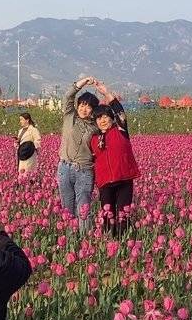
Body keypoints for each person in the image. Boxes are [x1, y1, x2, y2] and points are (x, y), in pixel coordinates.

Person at [58, 76, 101, 234]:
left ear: (93, 110)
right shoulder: (69, 116)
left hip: (84, 171)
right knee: (67, 207)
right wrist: (82, 82)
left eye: (88, 107)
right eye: (82, 104)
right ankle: (69, 239)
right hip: (64, 168)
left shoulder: (96, 127)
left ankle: (84, 242)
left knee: (83, 208)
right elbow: (68, 96)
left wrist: (103, 90)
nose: (84, 109)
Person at [90, 104, 140, 238]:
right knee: (107, 214)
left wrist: (107, 94)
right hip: (105, 183)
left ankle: (124, 240)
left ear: (112, 118)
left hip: (124, 180)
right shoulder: (94, 139)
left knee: (124, 214)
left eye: (105, 116)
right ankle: (109, 241)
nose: (102, 120)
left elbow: (121, 112)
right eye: (99, 118)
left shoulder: (121, 131)